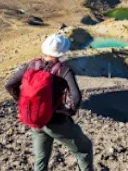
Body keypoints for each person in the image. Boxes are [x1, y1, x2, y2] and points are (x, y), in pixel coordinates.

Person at [6, 33, 94, 171]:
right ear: (62, 51)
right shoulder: (63, 70)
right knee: (84, 150)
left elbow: (10, 85)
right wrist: (69, 111)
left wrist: (22, 102)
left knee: (41, 159)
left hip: (36, 120)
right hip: (57, 121)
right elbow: (76, 98)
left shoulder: (31, 64)